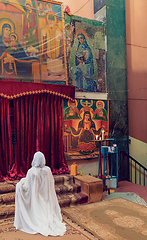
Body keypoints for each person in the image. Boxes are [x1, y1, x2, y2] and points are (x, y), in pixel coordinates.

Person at [14, 151, 66, 236]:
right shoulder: (48, 170)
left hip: (36, 199)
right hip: (46, 198)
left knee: (19, 187)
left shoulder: (32, 171)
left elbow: (26, 187)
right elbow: (50, 184)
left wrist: (20, 184)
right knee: (45, 209)